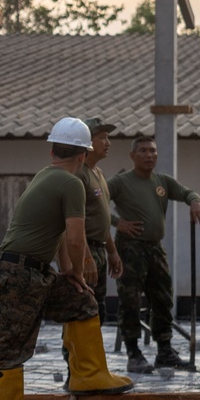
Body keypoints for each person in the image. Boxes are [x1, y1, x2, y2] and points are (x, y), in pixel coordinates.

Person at [0, 117, 132, 400]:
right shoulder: (71, 183)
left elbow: (61, 235)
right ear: (83, 154)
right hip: (19, 273)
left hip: (33, 271)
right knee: (10, 345)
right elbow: (77, 238)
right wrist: (79, 268)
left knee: (81, 302)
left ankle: (88, 375)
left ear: (53, 150)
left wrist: (68, 272)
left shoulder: (47, 176)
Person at [109, 134, 200, 372]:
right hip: (130, 247)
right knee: (130, 300)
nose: (149, 155)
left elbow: (187, 192)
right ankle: (133, 353)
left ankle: (165, 351)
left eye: (152, 150)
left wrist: (194, 201)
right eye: (142, 151)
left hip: (155, 247)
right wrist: (116, 222)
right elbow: (93, 205)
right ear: (132, 156)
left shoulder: (161, 181)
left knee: (163, 298)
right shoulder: (120, 182)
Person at [80, 117, 123, 324]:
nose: (108, 143)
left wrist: (112, 251)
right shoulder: (79, 174)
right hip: (82, 250)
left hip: (99, 250)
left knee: (98, 312)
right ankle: (74, 357)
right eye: (102, 138)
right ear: (88, 141)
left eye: (108, 137)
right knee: (81, 310)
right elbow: (73, 223)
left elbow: (102, 216)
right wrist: (86, 258)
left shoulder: (99, 173)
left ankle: (91, 357)